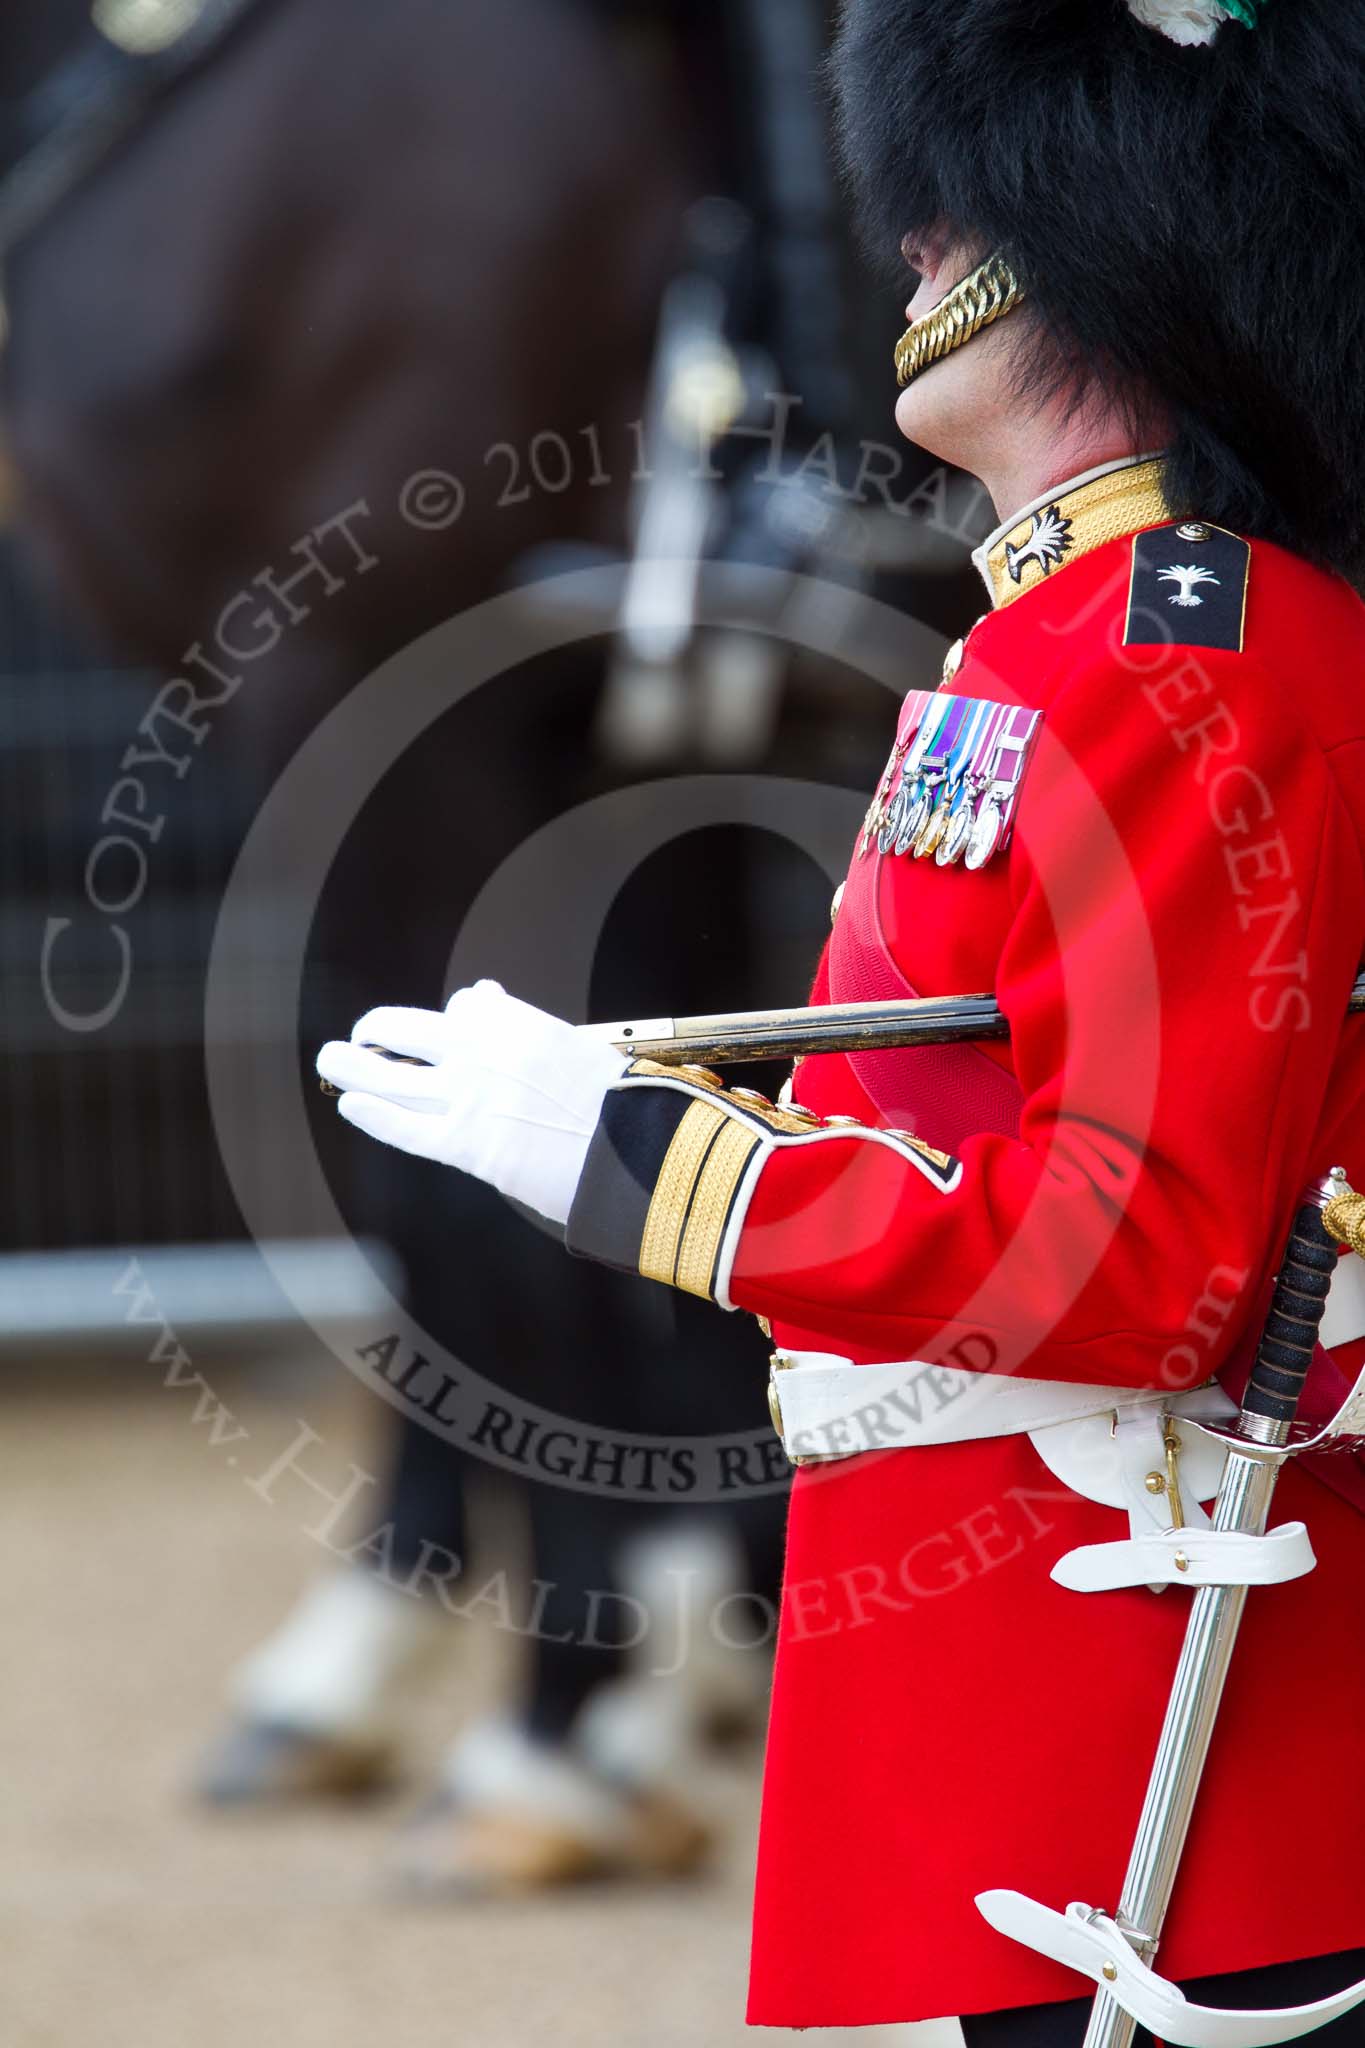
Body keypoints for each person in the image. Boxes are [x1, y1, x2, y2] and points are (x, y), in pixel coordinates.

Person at [317, 0, 1365, 2037]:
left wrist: (642, 1172)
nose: (909, 251)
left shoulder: (1178, 653)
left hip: (1153, 1720)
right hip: (1043, 1682)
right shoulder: (1061, 634)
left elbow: (1134, 1255)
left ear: (1112, 218)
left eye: (949, 205)